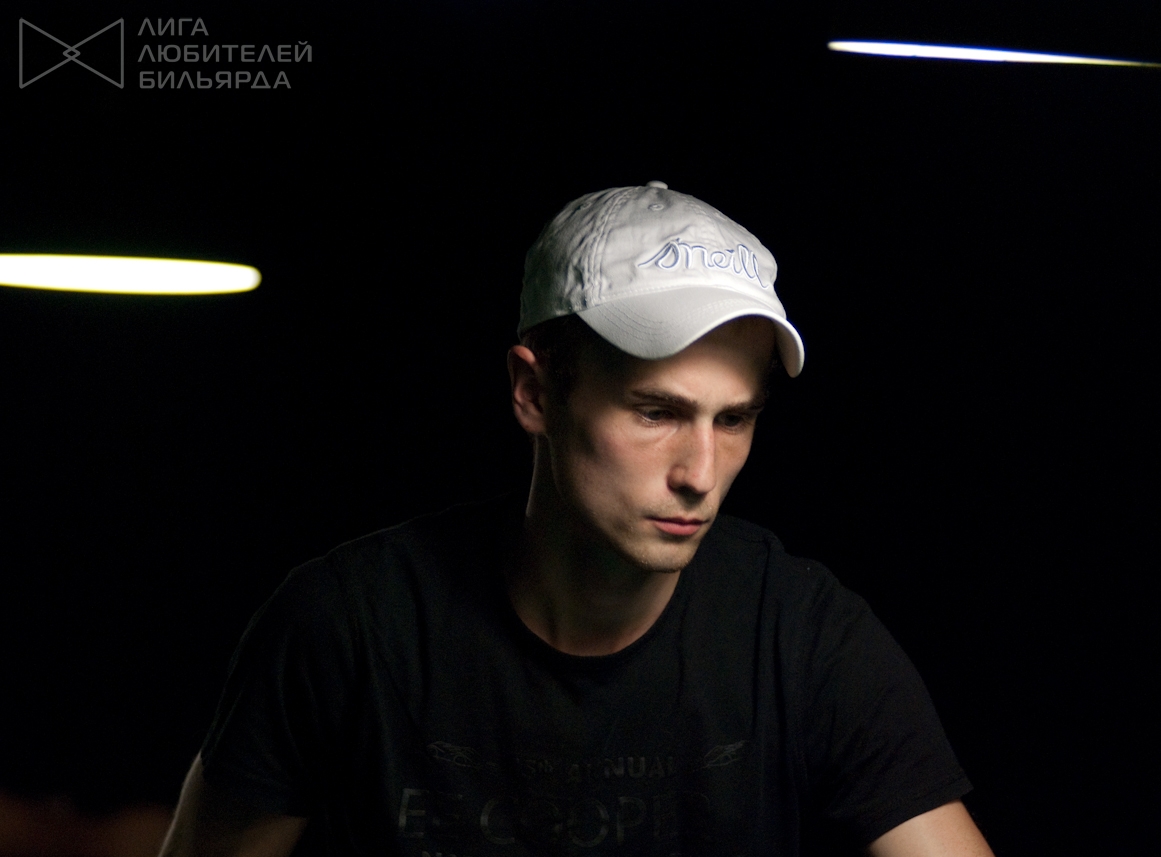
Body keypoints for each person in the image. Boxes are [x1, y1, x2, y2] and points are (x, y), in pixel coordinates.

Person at [159, 182, 995, 856]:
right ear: (534, 391)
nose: (700, 474)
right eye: (656, 412)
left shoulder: (803, 636)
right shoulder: (347, 626)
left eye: (734, 418)